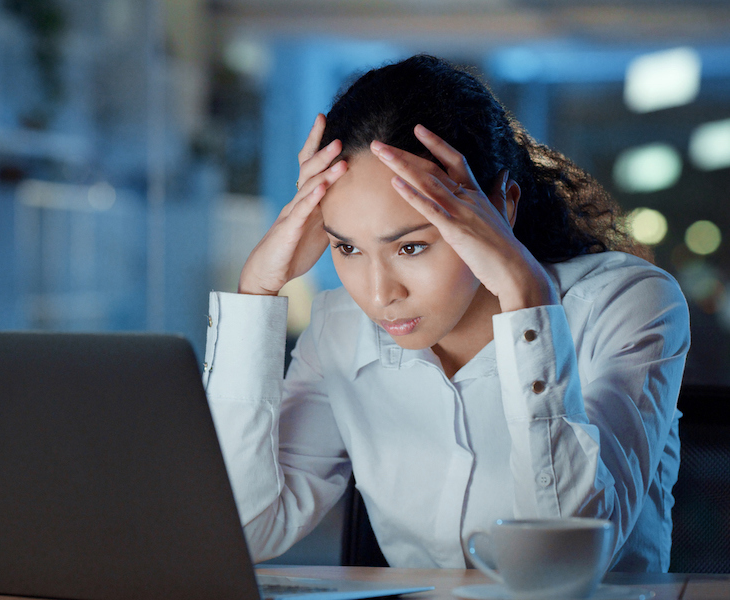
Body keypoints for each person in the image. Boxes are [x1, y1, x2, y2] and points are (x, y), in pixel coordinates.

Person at [201, 54, 689, 572]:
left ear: (500, 206)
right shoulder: (339, 328)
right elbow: (243, 532)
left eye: (410, 247)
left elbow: (563, 562)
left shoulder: (628, 303)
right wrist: (256, 293)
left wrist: (526, 297)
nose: (380, 292)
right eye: (347, 249)